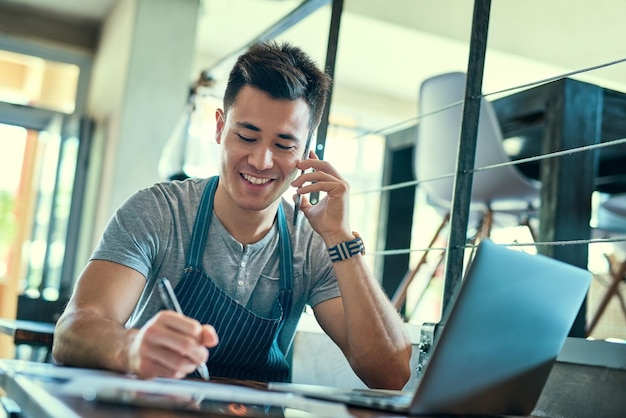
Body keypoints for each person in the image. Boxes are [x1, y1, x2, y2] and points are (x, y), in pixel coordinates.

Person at [52, 41, 412, 389]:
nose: (261, 161)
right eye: (247, 135)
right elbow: (72, 331)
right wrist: (131, 347)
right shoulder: (159, 211)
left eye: (284, 145)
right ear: (221, 127)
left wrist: (340, 237)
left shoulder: (313, 244)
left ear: (308, 149)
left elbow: (390, 374)